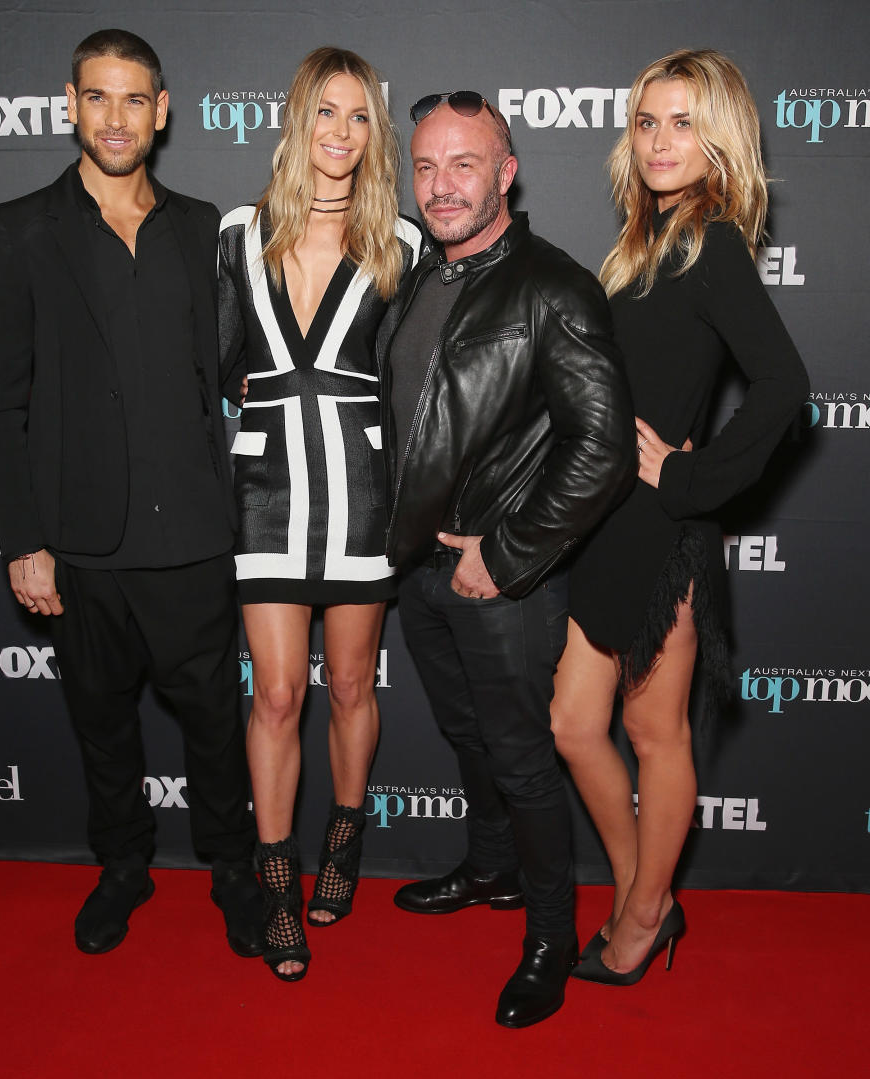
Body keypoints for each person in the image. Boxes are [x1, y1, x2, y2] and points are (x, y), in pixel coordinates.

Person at [0, 29, 262, 959]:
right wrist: (24, 538)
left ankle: (229, 867)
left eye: (134, 99)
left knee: (217, 725)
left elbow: (229, 369)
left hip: (192, 538)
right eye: (98, 97)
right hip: (81, 542)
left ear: (162, 110)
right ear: (69, 105)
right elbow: (0, 401)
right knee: (101, 726)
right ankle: (124, 865)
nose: (116, 117)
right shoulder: (19, 227)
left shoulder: (201, 225)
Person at [553, 49, 810, 986]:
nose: (662, 141)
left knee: (655, 735)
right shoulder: (642, 244)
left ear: (720, 138)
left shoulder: (715, 242)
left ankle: (643, 914)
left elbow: (786, 387)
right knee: (576, 724)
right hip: (606, 524)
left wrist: (694, 482)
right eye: (649, 121)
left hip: (663, 535)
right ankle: (641, 887)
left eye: (684, 122)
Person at [383, 91, 636, 1027]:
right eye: (426, 166)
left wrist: (511, 550)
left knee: (525, 761)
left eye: (463, 165)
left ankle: (550, 934)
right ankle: (488, 868)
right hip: (419, 568)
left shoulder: (552, 287)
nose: (441, 186)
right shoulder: (419, 273)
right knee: (466, 738)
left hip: (501, 578)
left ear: (506, 172)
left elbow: (602, 447)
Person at [218, 47, 421, 982]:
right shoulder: (235, 233)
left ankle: (344, 835)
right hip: (264, 492)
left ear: (375, 133)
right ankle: (278, 881)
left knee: (348, 687)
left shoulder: (402, 243)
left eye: (359, 117)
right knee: (275, 694)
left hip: (361, 489)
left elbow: (418, 376)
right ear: (296, 121)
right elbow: (216, 363)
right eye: (324, 113)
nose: (340, 133)